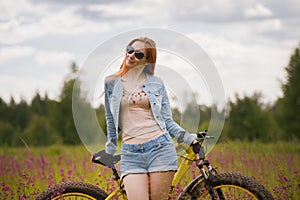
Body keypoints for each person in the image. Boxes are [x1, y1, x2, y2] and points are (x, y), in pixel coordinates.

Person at [103, 36, 202, 200]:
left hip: (160, 149)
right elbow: (110, 119)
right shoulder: (111, 83)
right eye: (130, 50)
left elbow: (167, 121)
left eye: (139, 54)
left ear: (147, 60)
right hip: (130, 153)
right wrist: (109, 149)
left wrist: (190, 139)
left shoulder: (156, 84)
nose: (131, 55)